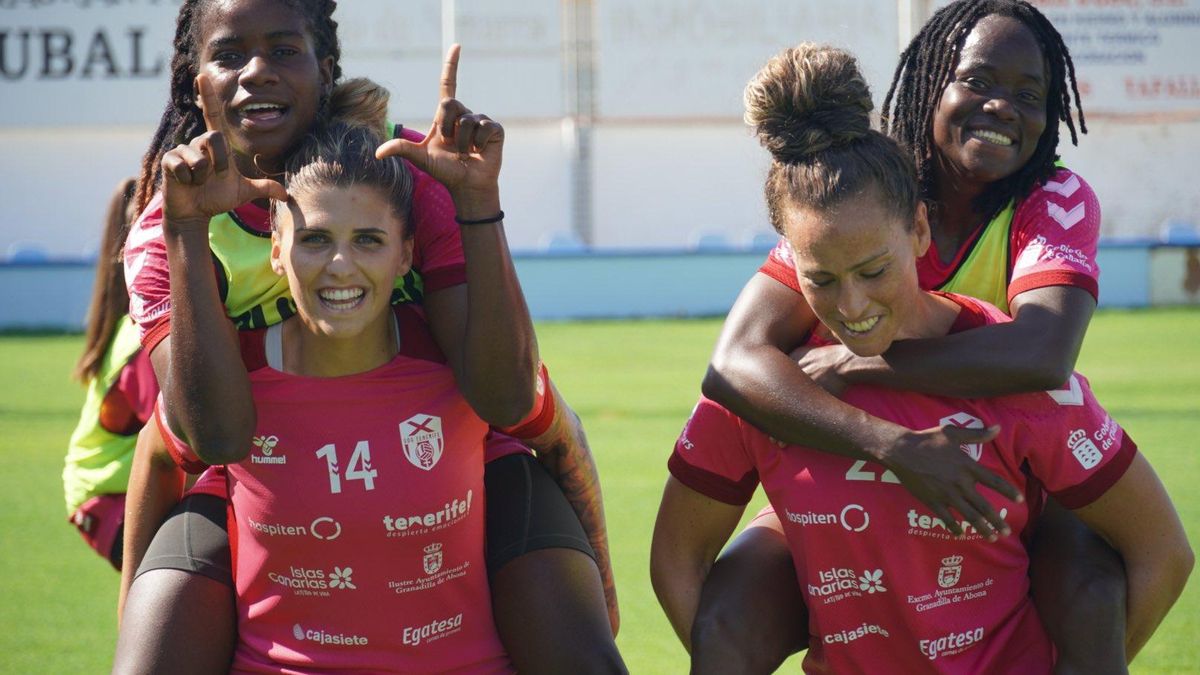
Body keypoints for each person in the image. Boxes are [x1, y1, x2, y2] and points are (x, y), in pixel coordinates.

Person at [652, 43, 1192, 673]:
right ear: (786, 264)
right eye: (820, 278)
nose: (851, 304)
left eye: (874, 269)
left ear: (918, 230)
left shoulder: (1019, 383)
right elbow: (677, 562)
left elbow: (1162, 552)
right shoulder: (771, 387)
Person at [115, 1, 622, 671]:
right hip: (255, 472)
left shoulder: (408, 170)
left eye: (283, 51)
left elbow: (504, 396)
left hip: (455, 461)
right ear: (196, 80)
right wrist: (186, 230)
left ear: (326, 70)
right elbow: (209, 439)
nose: (257, 71)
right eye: (229, 54)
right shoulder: (165, 229)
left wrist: (477, 201)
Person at [123, 110, 522, 670]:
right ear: (276, 252)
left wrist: (602, 592)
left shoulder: (462, 363)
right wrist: (133, 616)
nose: (340, 266)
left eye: (368, 239)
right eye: (314, 239)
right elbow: (157, 452)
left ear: (405, 253)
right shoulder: (232, 383)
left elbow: (559, 437)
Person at [63, 178, 158, 570]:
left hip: (106, 491)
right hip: (109, 498)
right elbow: (188, 436)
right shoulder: (145, 336)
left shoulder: (133, 324)